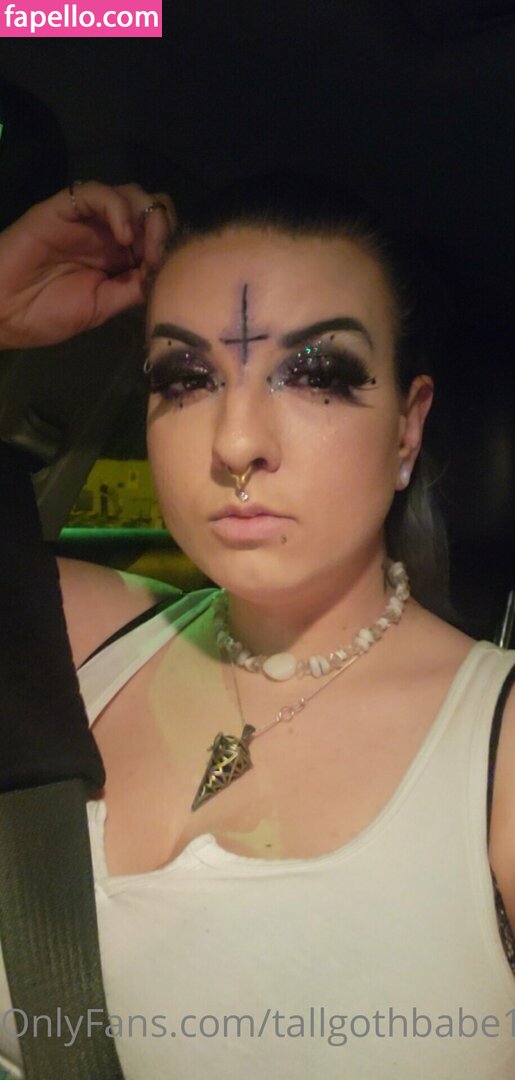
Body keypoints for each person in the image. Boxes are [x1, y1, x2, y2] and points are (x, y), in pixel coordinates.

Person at [0, 177, 513, 1079]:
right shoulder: (75, 641)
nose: (236, 442)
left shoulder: (496, 759)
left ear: (407, 429)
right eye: (185, 378)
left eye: (316, 375)